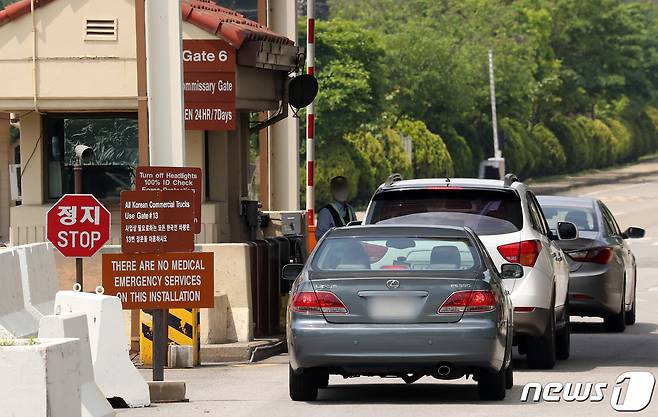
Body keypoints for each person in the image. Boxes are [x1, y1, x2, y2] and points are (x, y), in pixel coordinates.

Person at [316, 176, 357, 240]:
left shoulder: (350, 210)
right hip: (335, 249)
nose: (342, 191)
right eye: (338, 188)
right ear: (332, 191)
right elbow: (320, 237)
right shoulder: (326, 212)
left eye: (344, 188)